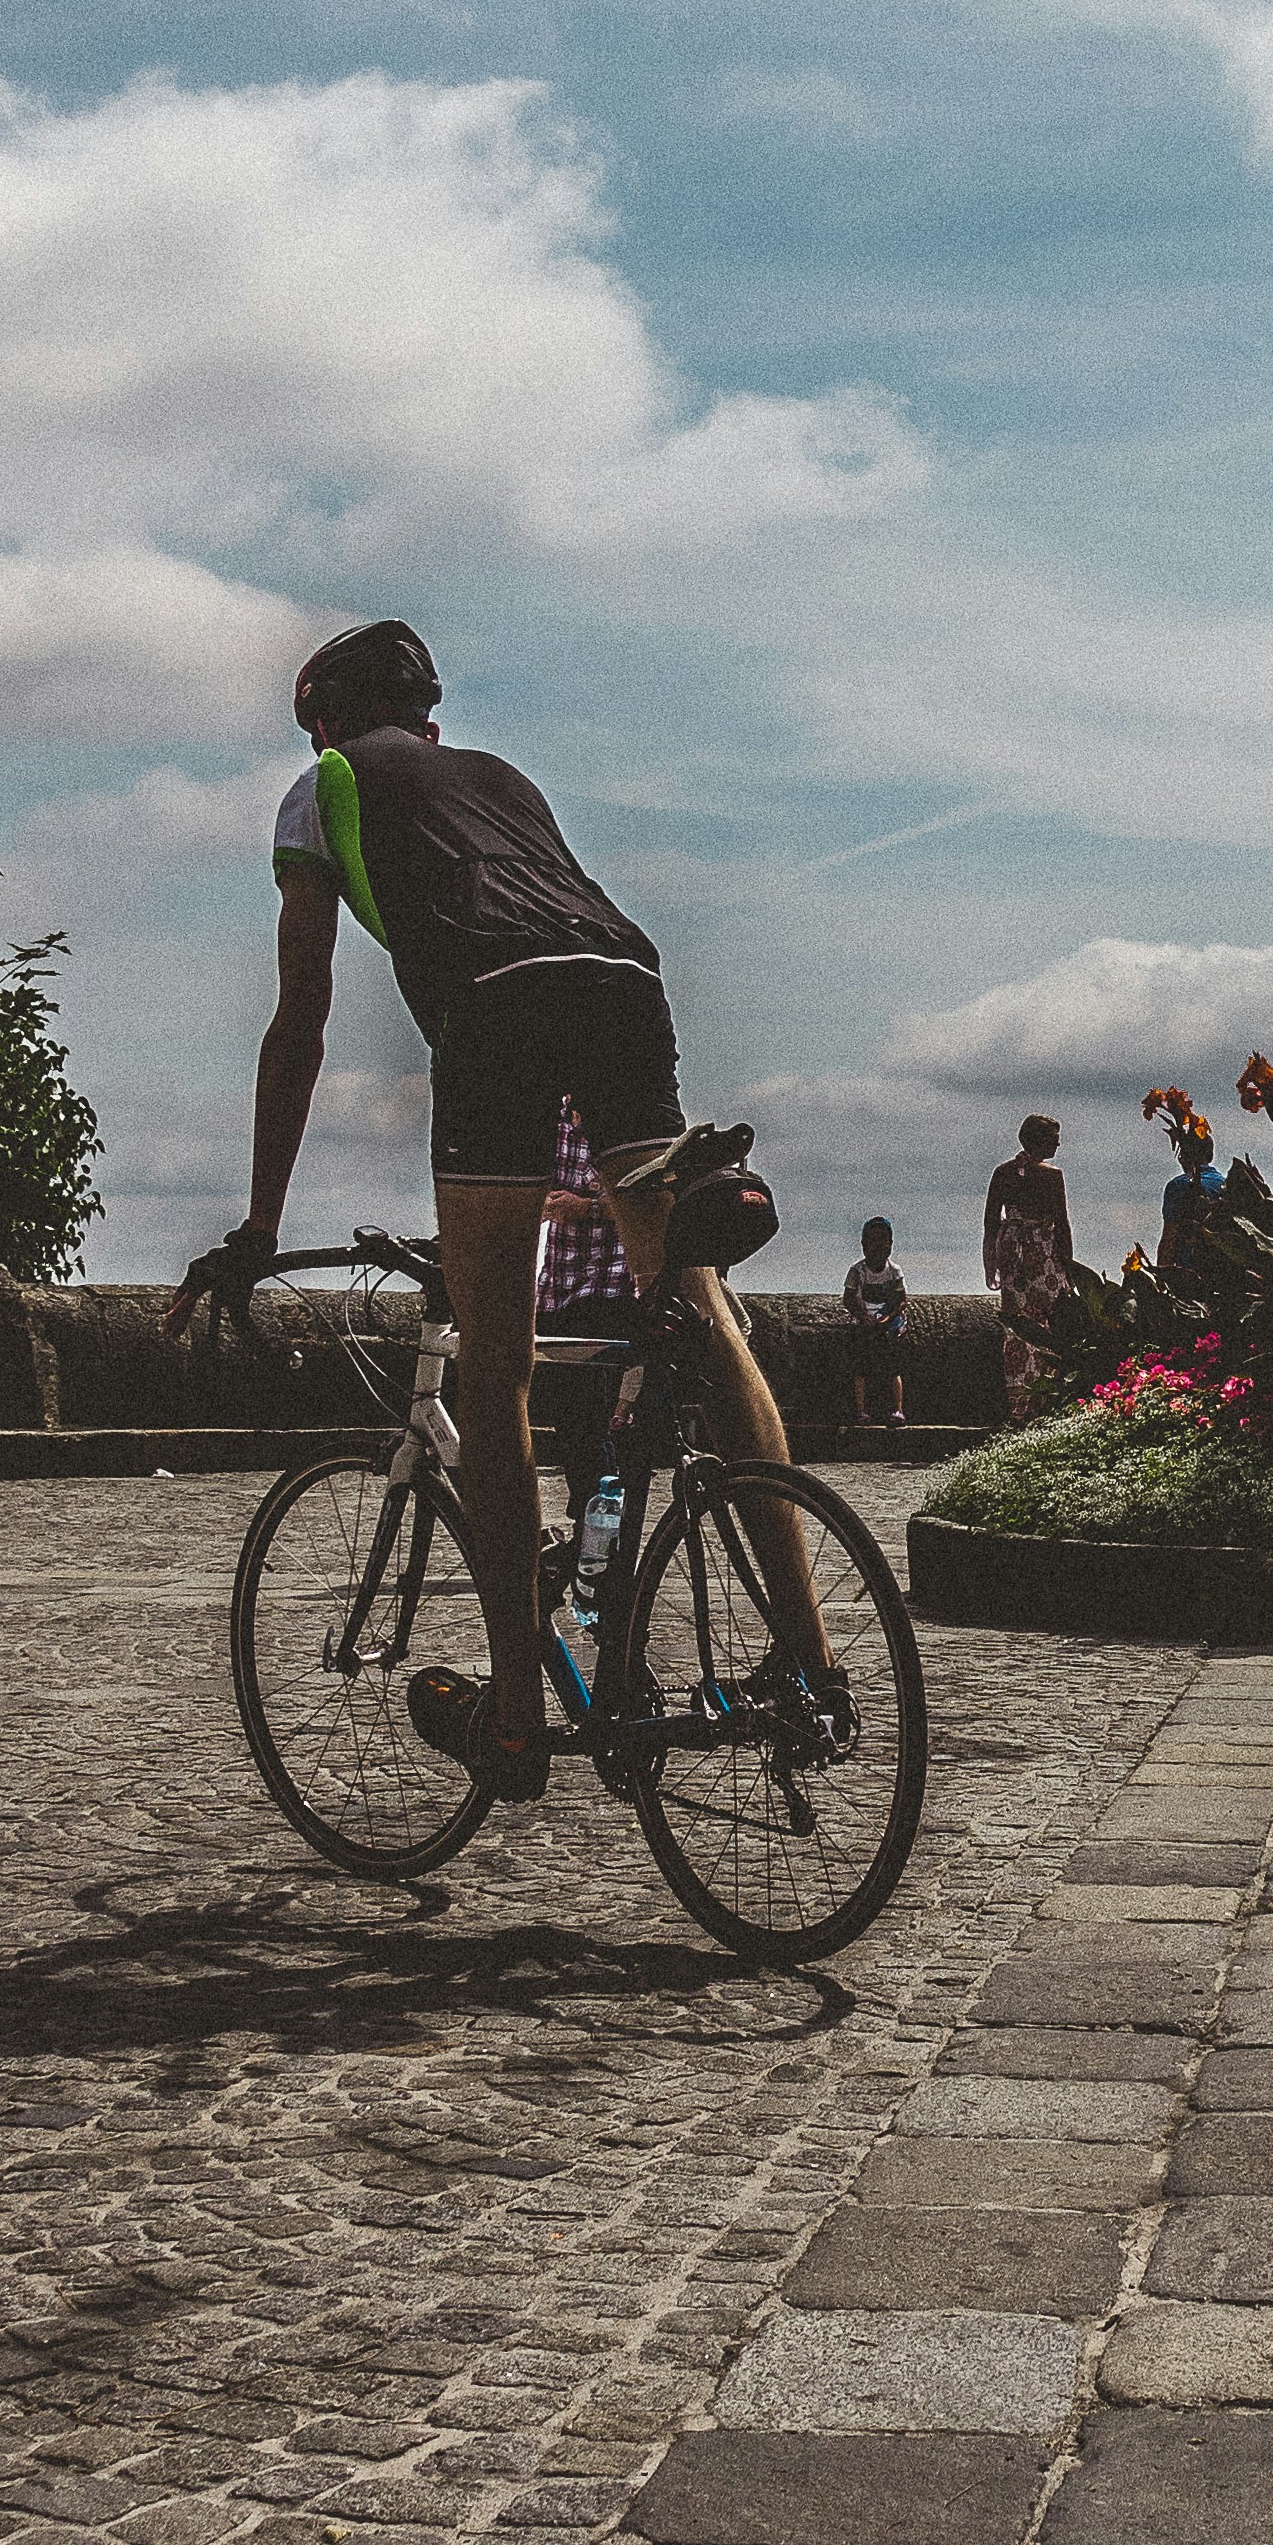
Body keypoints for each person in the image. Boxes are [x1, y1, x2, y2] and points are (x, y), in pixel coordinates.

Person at [174, 619, 817, 1798]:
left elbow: (300, 1016)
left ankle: (516, 1718)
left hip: (495, 1008)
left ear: (323, 718)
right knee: (703, 1314)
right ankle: (812, 1665)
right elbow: (559, 925)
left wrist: (260, 1225)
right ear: (425, 714)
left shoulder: (319, 788)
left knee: (497, 1365)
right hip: (625, 981)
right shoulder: (504, 779)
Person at [983, 1117, 1076, 1417]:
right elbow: (1062, 1225)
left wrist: (990, 1263)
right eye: (1052, 1137)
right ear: (1038, 1141)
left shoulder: (1003, 1173)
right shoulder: (1052, 1176)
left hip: (1012, 1252)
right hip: (1042, 1253)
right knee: (1049, 1320)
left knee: (1017, 1325)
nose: (1057, 1143)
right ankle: (1045, 1397)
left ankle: (1019, 1402)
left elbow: (990, 1223)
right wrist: (1069, 1267)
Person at [537, 1097, 641, 1335]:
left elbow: (649, 1202)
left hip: (612, 1287)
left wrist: (588, 1208)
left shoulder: (628, 1119)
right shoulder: (550, 1121)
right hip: (554, 1292)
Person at [840, 1216, 909, 1429]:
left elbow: (901, 1300)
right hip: (864, 1324)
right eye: (872, 1241)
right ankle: (861, 1410)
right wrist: (863, 1318)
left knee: (893, 1368)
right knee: (860, 1367)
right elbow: (848, 1299)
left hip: (888, 1326)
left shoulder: (894, 1271)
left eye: (883, 1241)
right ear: (863, 1245)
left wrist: (887, 1319)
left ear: (890, 1244)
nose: (878, 1246)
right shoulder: (857, 1271)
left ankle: (898, 1409)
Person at [1156, 1111, 1228, 1263]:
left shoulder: (1178, 1186)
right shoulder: (1226, 1183)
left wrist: (1162, 1278)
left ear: (1182, 1156)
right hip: (1222, 1269)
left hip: (1190, 1272)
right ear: (1211, 1155)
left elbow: (1170, 1235)